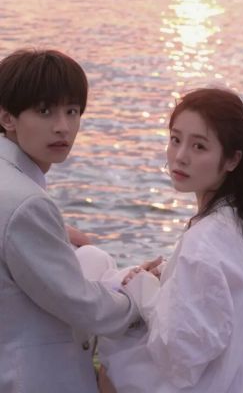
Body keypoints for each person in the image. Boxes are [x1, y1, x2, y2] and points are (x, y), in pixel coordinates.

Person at [94, 86, 243, 392]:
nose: (180, 156)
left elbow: (179, 351)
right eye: (175, 140)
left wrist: (144, 288)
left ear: (232, 159)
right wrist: (169, 278)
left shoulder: (205, 241)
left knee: (110, 372)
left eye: (199, 146)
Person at [0, 48, 143, 393]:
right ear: (7, 118)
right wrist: (139, 300)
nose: (62, 127)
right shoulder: (26, 202)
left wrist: (56, 234)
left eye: (72, 111)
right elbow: (80, 304)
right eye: (44, 111)